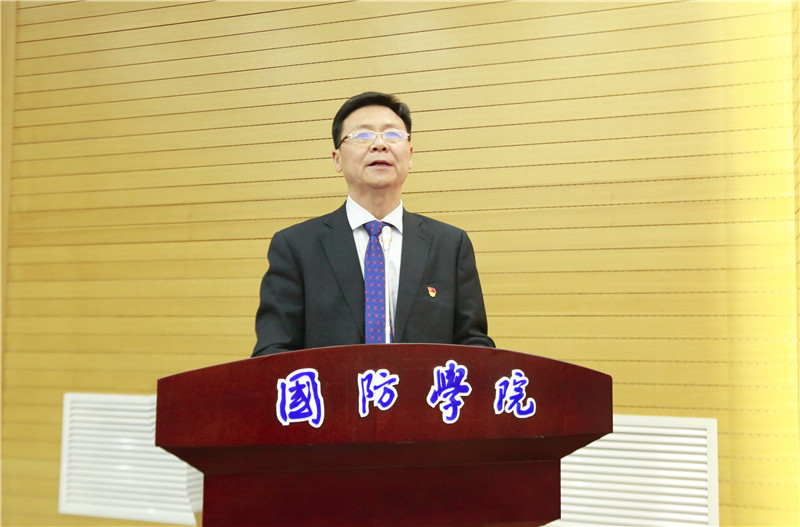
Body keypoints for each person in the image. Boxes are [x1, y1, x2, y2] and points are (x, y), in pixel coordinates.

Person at [252, 91, 494, 356]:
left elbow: (473, 344)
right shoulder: (295, 246)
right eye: (362, 135)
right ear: (337, 159)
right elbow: (273, 352)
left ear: (410, 155)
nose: (380, 145)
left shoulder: (450, 244)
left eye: (393, 135)